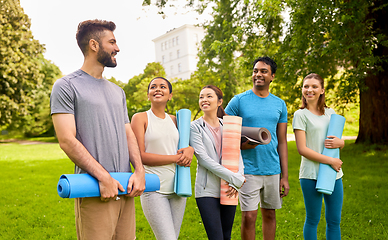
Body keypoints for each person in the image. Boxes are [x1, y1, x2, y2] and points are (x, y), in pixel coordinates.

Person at [50, 19, 146, 240]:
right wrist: (103, 177)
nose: (117, 48)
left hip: (124, 187)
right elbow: (66, 139)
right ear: (94, 45)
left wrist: (139, 170)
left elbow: (127, 132)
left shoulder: (117, 91)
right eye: (112, 42)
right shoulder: (66, 86)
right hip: (95, 188)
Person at [224, 56, 290, 240]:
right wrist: (243, 146)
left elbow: (282, 141)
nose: (258, 74)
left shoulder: (280, 104)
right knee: (249, 215)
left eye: (263, 71)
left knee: (270, 214)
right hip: (248, 169)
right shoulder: (238, 101)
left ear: (272, 76)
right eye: (255, 71)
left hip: (272, 169)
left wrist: (284, 176)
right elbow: (224, 132)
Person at [130, 77, 194, 240]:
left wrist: (190, 150)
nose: (157, 89)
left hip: (178, 187)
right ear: (148, 94)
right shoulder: (141, 118)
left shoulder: (176, 120)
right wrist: (175, 158)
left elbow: (187, 145)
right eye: (153, 87)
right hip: (154, 188)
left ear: (170, 95)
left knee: (173, 237)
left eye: (163, 87)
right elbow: (141, 156)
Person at [189, 85, 246, 240]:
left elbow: (237, 153)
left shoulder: (228, 125)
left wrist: (238, 178)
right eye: (201, 97)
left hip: (230, 187)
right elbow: (203, 159)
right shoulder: (194, 127)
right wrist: (234, 178)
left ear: (220, 101)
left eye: (209, 96)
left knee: (226, 236)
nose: (204, 100)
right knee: (216, 238)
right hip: (207, 190)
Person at [292, 73, 344, 240]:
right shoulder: (300, 115)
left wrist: (341, 143)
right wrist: (331, 161)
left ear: (322, 90)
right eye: (306, 86)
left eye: (314, 86)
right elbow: (302, 149)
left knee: (334, 221)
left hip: (333, 174)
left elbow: (337, 141)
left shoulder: (331, 113)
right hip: (310, 175)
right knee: (313, 219)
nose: (310, 89)